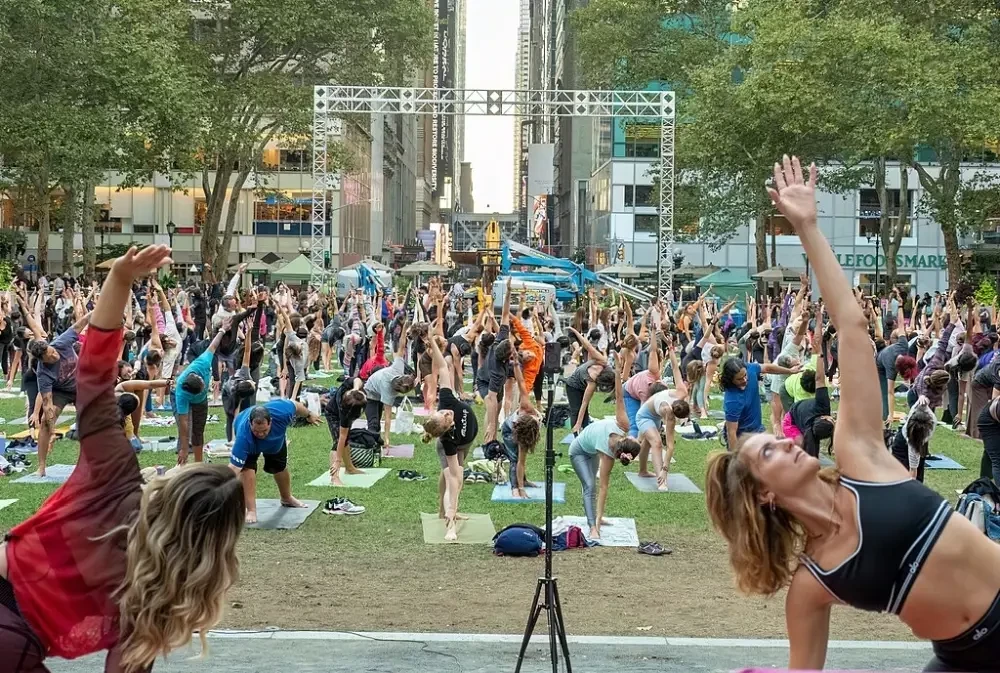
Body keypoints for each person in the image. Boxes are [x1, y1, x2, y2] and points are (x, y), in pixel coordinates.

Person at [705, 156, 1000, 673]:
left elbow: (851, 325)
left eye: (775, 439)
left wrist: (807, 227)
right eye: (769, 451)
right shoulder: (813, 581)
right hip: (963, 659)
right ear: (764, 495)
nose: (787, 441)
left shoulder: (859, 457)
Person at [0, 245, 245, 673]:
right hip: (14, 642)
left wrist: (120, 279)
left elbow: (94, 380)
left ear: (172, 484)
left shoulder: (114, 483)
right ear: (215, 545)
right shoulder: (158, 586)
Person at [568, 350, 640, 540]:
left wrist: (601, 520)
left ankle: (596, 519)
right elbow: (619, 395)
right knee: (589, 486)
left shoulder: (609, 456)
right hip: (578, 451)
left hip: (591, 452)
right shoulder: (623, 424)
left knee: (594, 487)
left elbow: (604, 489)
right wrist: (617, 370)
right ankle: (592, 526)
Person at [422, 326, 479, 541]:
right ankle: (450, 522)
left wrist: (432, 342)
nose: (446, 412)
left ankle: (444, 511)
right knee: (454, 481)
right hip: (457, 446)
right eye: (445, 417)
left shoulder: (446, 400)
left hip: (466, 442)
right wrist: (452, 510)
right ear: (446, 428)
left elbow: (444, 369)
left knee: (455, 479)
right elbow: (454, 479)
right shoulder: (447, 442)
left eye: (442, 413)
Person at [229, 399, 320, 525]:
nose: (260, 434)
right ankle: (251, 510)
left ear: (270, 422)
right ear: (250, 424)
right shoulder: (243, 436)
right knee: (247, 470)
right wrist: (216, 486)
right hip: (250, 445)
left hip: (275, 443)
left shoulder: (281, 412)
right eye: (256, 431)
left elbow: (296, 406)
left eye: (264, 430)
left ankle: (286, 498)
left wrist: (309, 414)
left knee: (279, 467)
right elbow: (234, 468)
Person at [27, 310, 91, 477]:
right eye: (50, 356)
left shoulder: (61, 342)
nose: (55, 355)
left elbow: (81, 323)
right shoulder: (43, 373)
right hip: (61, 391)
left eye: (53, 351)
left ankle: (88, 463)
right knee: (45, 422)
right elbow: (47, 404)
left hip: (82, 385)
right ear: (42, 360)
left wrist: (99, 309)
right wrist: (52, 429)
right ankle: (41, 467)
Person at [634, 339, 690, 490]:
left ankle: (643, 471)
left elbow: (675, 368)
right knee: (657, 443)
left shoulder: (682, 392)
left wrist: (671, 348)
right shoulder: (669, 414)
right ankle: (661, 480)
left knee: (648, 442)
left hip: (655, 414)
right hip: (644, 416)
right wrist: (665, 471)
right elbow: (669, 446)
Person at [174, 321, 228, 465]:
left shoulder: (202, 363)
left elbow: (213, 345)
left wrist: (222, 330)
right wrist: (184, 448)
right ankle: (183, 455)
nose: (206, 387)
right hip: (185, 397)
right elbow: (184, 422)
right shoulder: (181, 393)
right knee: (184, 427)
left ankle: (198, 464)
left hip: (201, 401)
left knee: (198, 431)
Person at [721, 355, 799, 450]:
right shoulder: (732, 401)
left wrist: (790, 371)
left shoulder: (750, 369)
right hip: (742, 437)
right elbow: (731, 433)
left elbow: (767, 368)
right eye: (739, 379)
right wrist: (735, 456)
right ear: (731, 379)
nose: (745, 380)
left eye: (745, 375)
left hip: (758, 429)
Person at [362, 317, 413, 449]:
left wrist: (404, 329)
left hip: (379, 383)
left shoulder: (398, 368)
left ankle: (377, 440)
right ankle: (369, 446)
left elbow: (402, 346)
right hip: (370, 391)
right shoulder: (388, 391)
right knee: (374, 423)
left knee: (378, 421)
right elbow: (388, 418)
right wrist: (387, 439)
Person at [324, 375, 367, 486]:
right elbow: (341, 437)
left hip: (347, 409)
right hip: (332, 414)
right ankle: (334, 478)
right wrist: (338, 460)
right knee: (338, 442)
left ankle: (350, 468)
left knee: (346, 440)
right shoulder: (345, 412)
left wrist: (355, 389)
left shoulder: (350, 388)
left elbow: (357, 379)